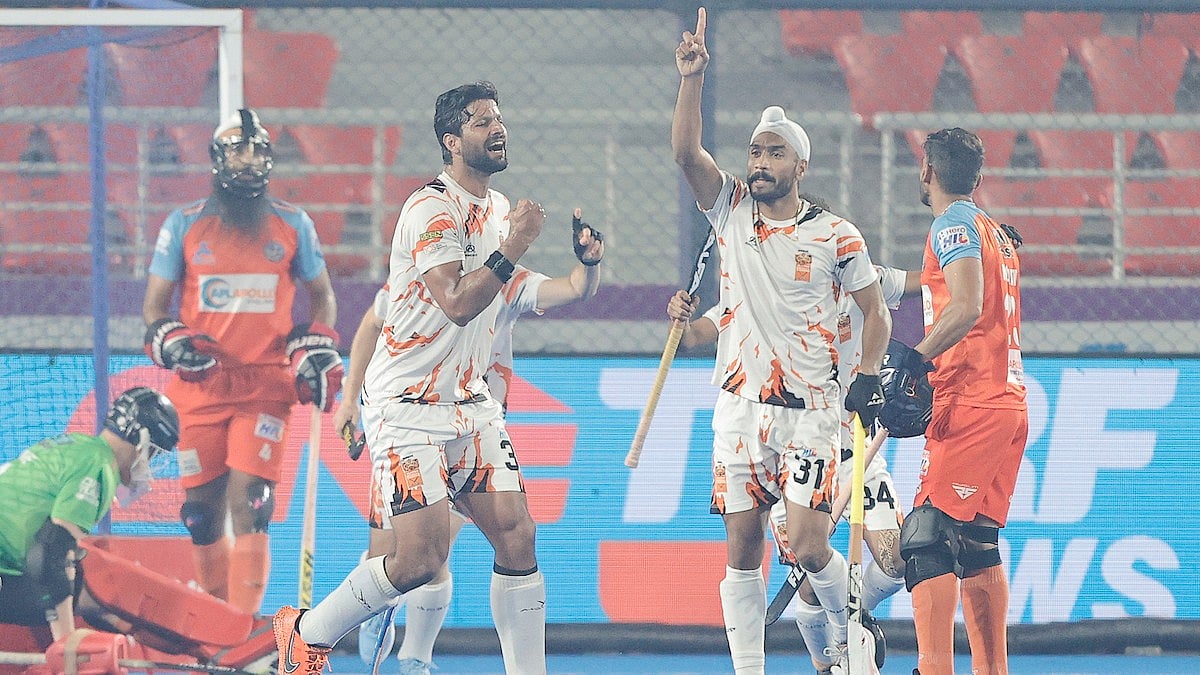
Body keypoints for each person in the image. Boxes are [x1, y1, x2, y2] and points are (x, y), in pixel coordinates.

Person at [274, 81, 549, 675]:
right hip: (406, 404)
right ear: (452, 142)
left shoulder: (498, 210)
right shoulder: (429, 207)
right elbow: (454, 301)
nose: (497, 129)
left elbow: (512, 291)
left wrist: (582, 272)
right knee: (419, 560)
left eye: (499, 119)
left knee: (517, 535)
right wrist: (517, 247)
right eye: (481, 122)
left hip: (471, 403)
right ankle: (307, 635)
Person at [671, 9, 892, 674]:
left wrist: (869, 374)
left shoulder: (837, 234)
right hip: (741, 409)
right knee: (741, 543)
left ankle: (846, 634)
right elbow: (686, 154)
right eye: (754, 152)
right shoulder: (731, 209)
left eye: (773, 152)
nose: (759, 162)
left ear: (800, 162)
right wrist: (691, 79)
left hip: (816, 412)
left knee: (806, 538)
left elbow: (875, 313)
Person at [333, 210, 604, 674]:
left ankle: (416, 658)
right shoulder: (424, 274)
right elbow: (370, 326)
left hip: (472, 429)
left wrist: (589, 262)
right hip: (408, 420)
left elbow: (575, 287)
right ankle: (329, 628)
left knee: (443, 547)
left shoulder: (507, 283)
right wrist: (348, 402)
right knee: (400, 557)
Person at [669, 257, 916, 675]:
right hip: (791, 452)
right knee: (813, 563)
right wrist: (681, 318)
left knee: (897, 562)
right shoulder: (755, 292)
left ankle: (853, 617)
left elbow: (928, 277)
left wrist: (977, 247)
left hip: (853, 449)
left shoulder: (855, 273)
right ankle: (829, 662)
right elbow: (693, 336)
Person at [142, 108, 342, 616]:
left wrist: (316, 344)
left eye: (258, 149)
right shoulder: (183, 224)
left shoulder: (293, 223)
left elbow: (323, 298)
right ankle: (215, 626)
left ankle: (241, 631)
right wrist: (166, 339)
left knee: (251, 504)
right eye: (237, 148)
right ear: (216, 158)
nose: (249, 158)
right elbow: (153, 308)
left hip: (266, 386)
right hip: (200, 386)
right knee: (200, 517)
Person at [897, 128, 1027, 675]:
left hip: (970, 400)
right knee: (976, 542)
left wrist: (914, 358)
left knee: (926, 539)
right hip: (1008, 401)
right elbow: (945, 288)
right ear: (978, 177)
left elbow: (967, 304)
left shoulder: (950, 224)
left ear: (927, 171)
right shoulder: (990, 229)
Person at [0, 387, 180, 640]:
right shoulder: (100, 467)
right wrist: (66, 642)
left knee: (78, 580)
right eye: (153, 452)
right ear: (141, 441)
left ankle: (118, 624)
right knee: (68, 580)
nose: (149, 464)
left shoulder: (78, 445)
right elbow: (51, 554)